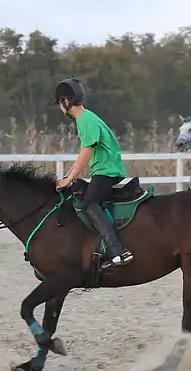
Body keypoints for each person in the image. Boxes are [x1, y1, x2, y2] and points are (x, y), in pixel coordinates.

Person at [52, 78, 134, 269]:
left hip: (106, 171)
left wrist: (69, 178)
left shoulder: (85, 120)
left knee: (90, 204)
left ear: (66, 101)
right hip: (105, 170)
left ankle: (118, 251)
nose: (59, 108)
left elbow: (87, 151)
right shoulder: (87, 118)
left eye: (59, 103)